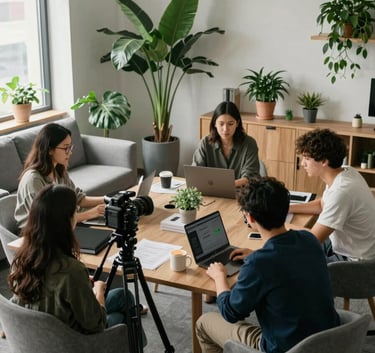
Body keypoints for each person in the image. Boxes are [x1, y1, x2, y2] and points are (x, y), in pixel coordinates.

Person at [196, 177, 339, 353]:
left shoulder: (259, 264)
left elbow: (230, 312)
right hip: (328, 340)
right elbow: (285, 263)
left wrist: (220, 277)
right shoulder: (309, 240)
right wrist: (256, 255)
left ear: (250, 217)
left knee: (204, 323)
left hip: (285, 349)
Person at [8, 184, 147, 345]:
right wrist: (99, 291)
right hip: (72, 342)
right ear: (66, 221)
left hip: (40, 336)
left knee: (124, 296)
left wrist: (82, 286)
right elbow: (97, 325)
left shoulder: (23, 257)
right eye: (75, 211)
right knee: (123, 320)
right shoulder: (71, 270)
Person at [289, 128, 375, 262]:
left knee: (293, 261)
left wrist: (274, 225)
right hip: (345, 246)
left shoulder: (342, 191)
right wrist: (286, 208)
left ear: (324, 161)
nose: (302, 163)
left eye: (306, 158)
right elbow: (322, 204)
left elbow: (312, 241)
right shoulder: (346, 172)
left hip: (355, 262)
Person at [15, 123, 105, 229]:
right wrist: (91, 213)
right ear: (49, 150)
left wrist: (108, 199)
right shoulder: (33, 180)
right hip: (37, 235)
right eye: (66, 148)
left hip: (59, 228)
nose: (70, 152)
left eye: (70, 147)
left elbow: (77, 198)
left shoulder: (59, 170)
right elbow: (49, 220)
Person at [192, 101, 260, 188]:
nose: (225, 129)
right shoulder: (205, 143)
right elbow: (196, 172)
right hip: (211, 193)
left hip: (241, 194)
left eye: (230, 124)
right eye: (221, 124)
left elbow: (250, 178)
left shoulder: (249, 144)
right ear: (215, 124)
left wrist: (222, 185)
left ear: (237, 123)